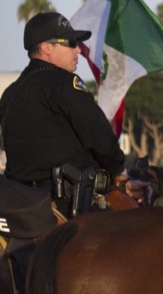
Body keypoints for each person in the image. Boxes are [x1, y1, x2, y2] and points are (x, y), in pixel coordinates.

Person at [0, 12, 124, 216]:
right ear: (46, 48)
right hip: (68, 205)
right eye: (70, 42)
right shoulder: (64, 83)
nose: (77, 50)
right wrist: (119, 170)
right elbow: (98, 135)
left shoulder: (10, 93)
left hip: (21, 208)